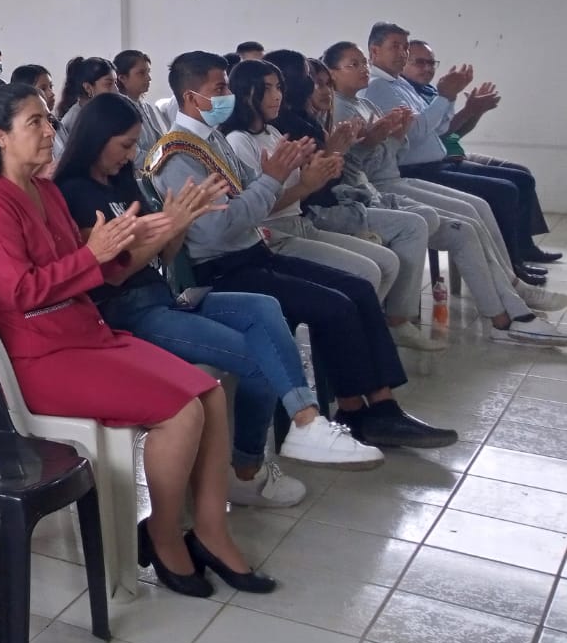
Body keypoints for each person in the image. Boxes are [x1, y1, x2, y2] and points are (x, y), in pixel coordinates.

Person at [0, 83, 274, 596]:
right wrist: (93, 254)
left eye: (48, 119)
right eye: (34, 122)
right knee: (181, 412)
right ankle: (162, 535)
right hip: (38, 357)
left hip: (83, 334)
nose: (48, 130)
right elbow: (20, 293)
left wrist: (146, 234)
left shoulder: (45, 190)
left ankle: (211, 531)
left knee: (209, 394)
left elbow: (96, 272)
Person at [55, 93, 384, 504]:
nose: (131, 154)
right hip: (126, 311)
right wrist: (166, 226)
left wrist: (179, 225)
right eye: (125, 144)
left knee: (263, 307)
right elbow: (113, 272)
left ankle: (304, 421)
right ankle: (247, 469)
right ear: (96, 138)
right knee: (255, 356)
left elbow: (164, 258)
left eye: (135, 143)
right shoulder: (74, 192)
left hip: (161, 296)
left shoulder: (122, 182)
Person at [144, 51, 456, 450]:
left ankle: (383, 407)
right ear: (191, 96)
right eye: (219, 88)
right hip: (220, 269)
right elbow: (215, 228)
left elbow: (250, 195)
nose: (227, 95)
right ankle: (355, 411)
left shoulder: (211, 138)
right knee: (334, 306)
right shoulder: (178, 155)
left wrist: (289, 175)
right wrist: (271, 179)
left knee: (358, 289)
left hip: (252, 253)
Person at [325, 42, 566, 340]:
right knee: (467, 221)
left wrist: (394, 137)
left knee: (473, 212)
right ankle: (506, 314)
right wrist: (378, 140)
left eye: (363, 62)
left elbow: (396, 152)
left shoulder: (369, 103)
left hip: (391, 180)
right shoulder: (347, 105)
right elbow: (355, 169)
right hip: (378, 188)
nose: (363, 69)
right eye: (354, 64)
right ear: (332, 73)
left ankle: (511, 298)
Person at [224, 59, 439, 352]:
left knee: (387, 263)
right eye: (267, 89)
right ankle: (348, 345)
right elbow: (258, 209)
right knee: (368, 271)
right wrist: (307, 184)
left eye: (278, 87)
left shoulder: (272, 133)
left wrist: (322, 166)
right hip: (273, 234)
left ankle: (357, 337)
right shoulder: (238, 141)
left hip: (300, 223)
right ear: (246, 93)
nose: (276, 96)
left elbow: (299, 187)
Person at [365, 22, 550, 274]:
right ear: (374, 51)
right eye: (395, 46)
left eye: (405, 47)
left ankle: (516, 258)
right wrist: (445, 96)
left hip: (438, 162)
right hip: (414, 170)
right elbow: (415, 133)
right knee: (504, 191)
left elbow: (441, 129)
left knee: (519, 179)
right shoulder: (377, 86)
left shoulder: (401, 84)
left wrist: (450, 97)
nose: (402, 53)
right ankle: (511, 268)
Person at [403, 39, 555, 258]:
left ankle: (524, 247)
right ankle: (509, 257)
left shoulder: (431, 91)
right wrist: (466, 109)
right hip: (438, 160)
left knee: (522, 176)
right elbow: (439, 135)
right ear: (403, 62)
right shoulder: (408, 94)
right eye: (420, 62)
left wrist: (476, 112)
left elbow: (455, 134)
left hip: (451, 153)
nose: (427, 68)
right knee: (506, 187)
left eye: (431, 63)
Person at [114, 50, 172, 166]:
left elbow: (160, 141)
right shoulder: (118, 110)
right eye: (141, 73)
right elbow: (132, 154)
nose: (148, 78)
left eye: (148, 72)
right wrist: (160, 162)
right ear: (122, 78)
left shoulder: (147, 107)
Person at [53, 57, 117, 160]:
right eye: (108, 84)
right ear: (88, 87)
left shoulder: (99, 113)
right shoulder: (76, 120)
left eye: (115, 83)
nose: (116, 90)